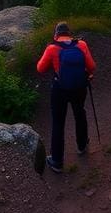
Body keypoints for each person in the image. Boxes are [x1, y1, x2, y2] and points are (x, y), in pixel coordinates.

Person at [36, 21, 96, 172]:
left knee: (58, 122)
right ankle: (82, 145)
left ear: (56, 34)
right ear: (69, 33)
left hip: (60, 89)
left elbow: (40, 68)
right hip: (79, 87)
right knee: (80, 113)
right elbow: (92, 67)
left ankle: (57, 161)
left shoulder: (52, 48)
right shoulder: (81, 45)